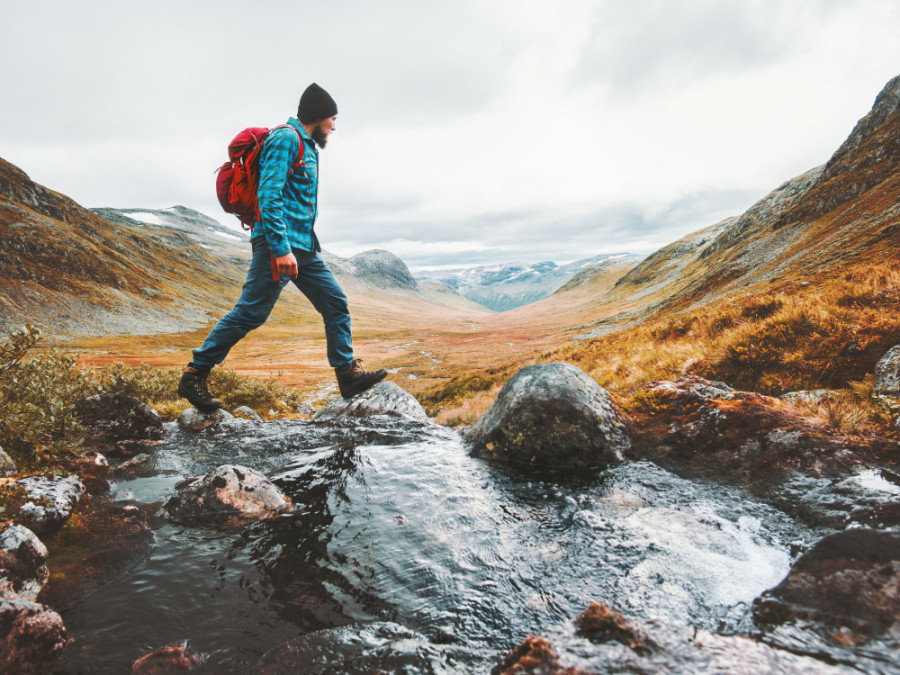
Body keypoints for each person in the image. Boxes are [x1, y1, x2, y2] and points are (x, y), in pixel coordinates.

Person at [177, 83, 386, 411]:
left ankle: (347, 376)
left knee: (335, 302)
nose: (335, 125)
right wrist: (279, 247)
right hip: (279, 243)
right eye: (333, 118)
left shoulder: (308, 146)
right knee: (251, 312)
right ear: (317, 117)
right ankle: (194, 374)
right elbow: (268, 194)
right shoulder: (286, 139)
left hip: (303, 246)